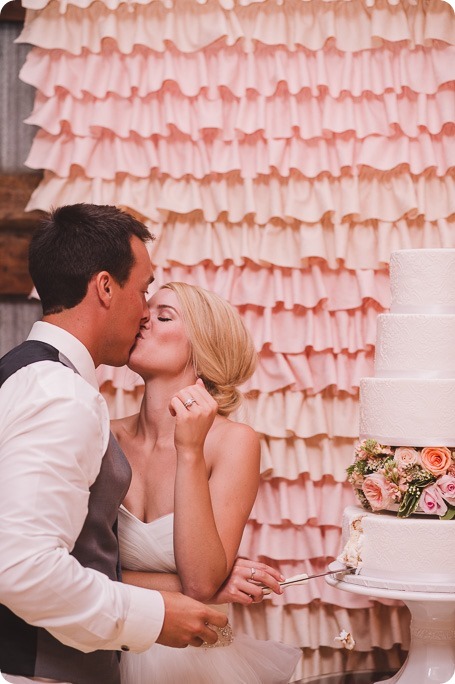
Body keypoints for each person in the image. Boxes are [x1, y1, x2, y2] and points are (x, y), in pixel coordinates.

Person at [0, 204, 228, 684]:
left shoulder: (23, 370)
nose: (145, 312)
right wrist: (153, 616)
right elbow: (23, 565)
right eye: (143, 290)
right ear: (106, 287)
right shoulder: (62, 394)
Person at [111, 281, 302, 683]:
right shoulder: (105, 436)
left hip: (196, 664)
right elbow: (74, 568)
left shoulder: (234, 442)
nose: (142, 319)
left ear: (203, 351)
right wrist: (208, 586)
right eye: (145, 312)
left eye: (163, 316)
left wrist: (190, 450)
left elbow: (199, 582)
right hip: (108, 649)